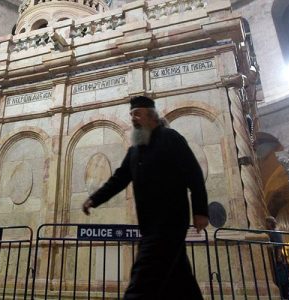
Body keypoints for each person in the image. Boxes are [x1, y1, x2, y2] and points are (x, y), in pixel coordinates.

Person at [82, 95, 209, 299]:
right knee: (181, 281)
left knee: (142, 280)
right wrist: (94, 199)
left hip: (170, 222)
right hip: (150, 225)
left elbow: (194, 174)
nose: (133, 119)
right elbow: (119, 179)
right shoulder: (135, 151)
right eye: (131, 115)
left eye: (138, 114)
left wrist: (201, 211)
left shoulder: (171, 139)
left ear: (152, 116)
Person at [265, 216, 289, 300]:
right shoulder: (271, 232)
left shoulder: (275, 232)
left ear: (270, 223)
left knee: (283, 279)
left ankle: (288, 297)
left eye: (267, 223)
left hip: (278, 257)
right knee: (280, 278)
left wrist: (278, 257)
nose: (266, 224)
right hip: (276, 256)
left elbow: (279, 245)